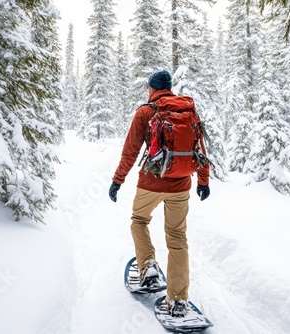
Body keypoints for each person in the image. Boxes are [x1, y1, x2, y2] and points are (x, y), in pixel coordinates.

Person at [109, 69, 210, 317]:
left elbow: (130, 151)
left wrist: (117, 180)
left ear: (151, 89)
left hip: (151, 184)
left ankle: (148, 266)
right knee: (177, 238)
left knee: (139, 221)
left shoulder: (145, 111)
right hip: (181, 185)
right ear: (170, 87)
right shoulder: (188, 112)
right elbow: (201, 149)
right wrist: (203, 181)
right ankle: (178, 300)